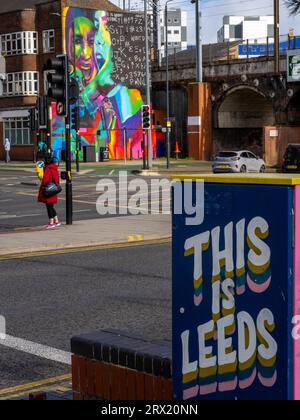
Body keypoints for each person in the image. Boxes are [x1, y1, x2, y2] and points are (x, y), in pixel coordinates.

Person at [38, 154, 61, 230]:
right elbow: (57, 180)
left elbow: (45, 180)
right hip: (53, 189)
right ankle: (57, 221)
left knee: (49, 206)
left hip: (48, 190)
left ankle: (51, 222)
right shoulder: (54, 168)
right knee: (51, 206)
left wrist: (41, 179)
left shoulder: (48, 168)